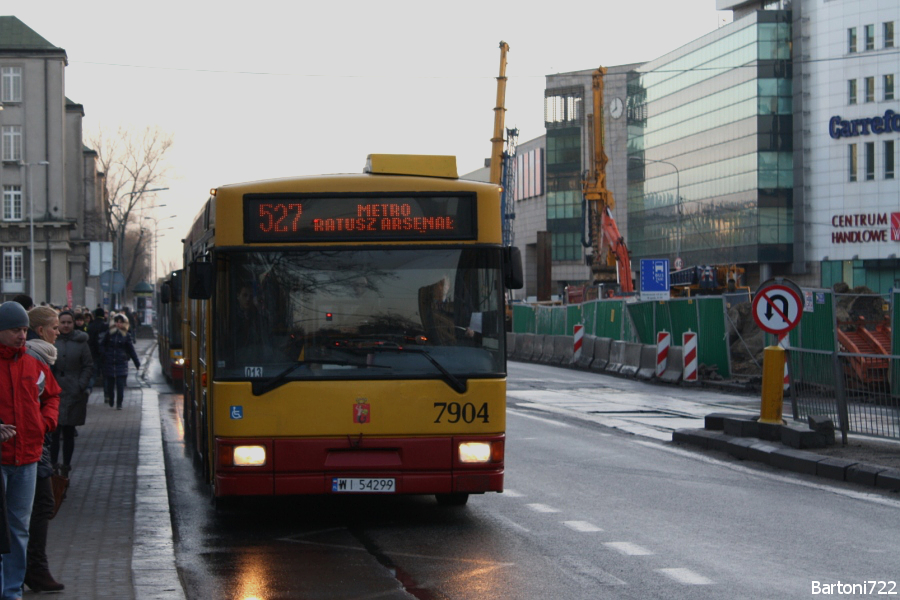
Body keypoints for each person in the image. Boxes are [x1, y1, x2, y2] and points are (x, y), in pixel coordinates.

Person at [0, 302, 61, 599]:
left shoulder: (33, 364)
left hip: (28, 459)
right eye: (15, 330)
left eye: (24, 330)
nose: (22, 336)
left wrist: (45, 422)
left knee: (19, 530)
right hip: (1, 459)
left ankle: (12, 592)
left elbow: (53, 395)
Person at [21, 307, 64, 594]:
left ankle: (33, 567)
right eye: (55, 327)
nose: (58, 332)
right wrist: (41, 422)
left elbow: (51, 394)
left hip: (37, 437)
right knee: (38, 506)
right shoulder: (32, 358)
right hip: (26, 442)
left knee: (39, 505)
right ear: (40, 332)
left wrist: (47, 419)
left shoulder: (44, 357)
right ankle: (33, 568)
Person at [50, 311, 93, 476]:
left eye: (69, 322)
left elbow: (88, 365)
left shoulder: (82, 342)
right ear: (58, 324)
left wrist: (81, 384)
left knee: (68, 432)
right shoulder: (52, 341)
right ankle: (53, 466)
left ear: (74, 323)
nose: (66, 325)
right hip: (54, 391)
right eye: (63, 322)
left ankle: (66, 466)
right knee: (54, 432)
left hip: (74, 392)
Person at [99, 314, 140, 410]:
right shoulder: (109, 334)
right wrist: (104, 354)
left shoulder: (126, 335)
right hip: (109, 362)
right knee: (110, 385)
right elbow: (102, 345)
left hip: (121, 362)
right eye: (117, 322)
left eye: (121, 322)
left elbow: (131, 350)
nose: (119, 324)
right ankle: (111, 398)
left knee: (120, 385)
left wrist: (136, 363)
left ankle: (119, 403)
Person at [86, 307, 107, 391]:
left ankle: (89, 388)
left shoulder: (90, 326)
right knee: (105, 375)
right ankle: (107, 394)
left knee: (93, 374)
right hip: (104, 353)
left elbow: (88, 340)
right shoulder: (106, 326)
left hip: (93, 353)